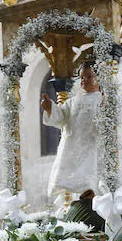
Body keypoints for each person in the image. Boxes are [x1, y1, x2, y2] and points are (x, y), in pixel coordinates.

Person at [41, 62, 102, 201]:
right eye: (81, 78)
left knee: (91, 180)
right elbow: (61, 116)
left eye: (89, 77)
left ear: (99, 78)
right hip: (73, 144)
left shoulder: (103, 100)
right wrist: (50, 108)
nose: (84, 81)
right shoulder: (73, 101)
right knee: (76, 181)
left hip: (92, 146)